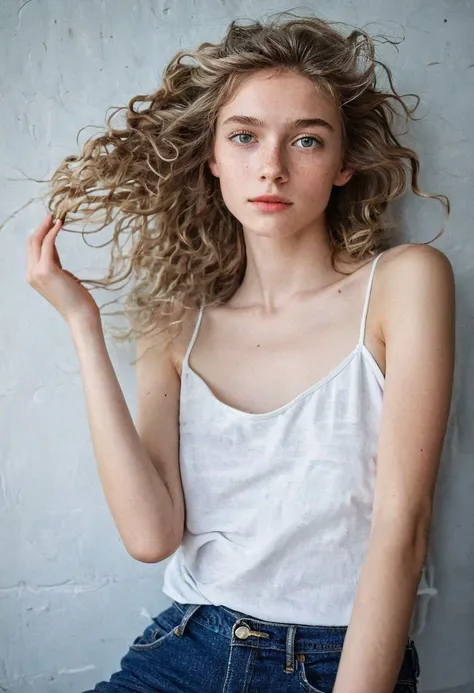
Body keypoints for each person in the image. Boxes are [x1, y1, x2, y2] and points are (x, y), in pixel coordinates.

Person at [26, 12, 455, 693]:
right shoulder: (177, 325)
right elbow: (150, 533)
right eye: (246, 136)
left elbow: (403, 529)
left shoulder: (405, 284)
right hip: (187, 647)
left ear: (344, 163)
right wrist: (82, 323)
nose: (272, 167)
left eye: (306, 140)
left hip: (336, 662)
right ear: (214, 158)